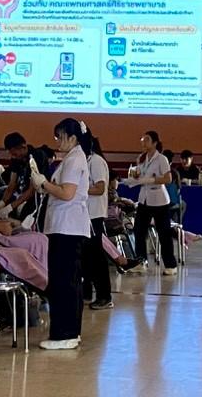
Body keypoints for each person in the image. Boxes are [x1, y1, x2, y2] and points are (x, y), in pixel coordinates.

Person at [33, 118, 91, 350]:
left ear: (73, 138)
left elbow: (67, 193)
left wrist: (44, 184)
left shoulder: (75, 159)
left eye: (60, 136)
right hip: (63, 226)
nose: (57, 141)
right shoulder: (71, 158)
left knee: (64, 281)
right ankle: (68, 331)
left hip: (68, 227)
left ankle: (65, 334)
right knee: (66, 280)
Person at [128, 131, 178, 275]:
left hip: (159, 200)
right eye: (142, 139)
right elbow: (139, 175)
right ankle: (141, 261)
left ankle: (170, 265)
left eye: (147, 140)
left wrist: (152, 180)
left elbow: (168, 179)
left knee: (164, 233)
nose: (143, 142)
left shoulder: (161, 159)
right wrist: (134, 175)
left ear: (155, 143)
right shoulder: (141, 158)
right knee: (139, 231)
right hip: (144, 199)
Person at [80, 130, 114, 310]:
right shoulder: (84, 160)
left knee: (96, 256)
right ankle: (86, 291)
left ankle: (104, 295)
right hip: (84, 214)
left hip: (94, 214)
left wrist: (77, 189)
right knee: (85, 255)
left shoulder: (97, 161)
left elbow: (100, 188)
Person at [0, 132, 38, 223]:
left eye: (15, 154)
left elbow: (32, 189)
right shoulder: (16, 160)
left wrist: (10, 207)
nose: (13, 157)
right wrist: (2, 203)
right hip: (20, 198)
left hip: (35, 202)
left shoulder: (36, 156)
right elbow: (11, 184)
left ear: (23, 147)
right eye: (11, 154)